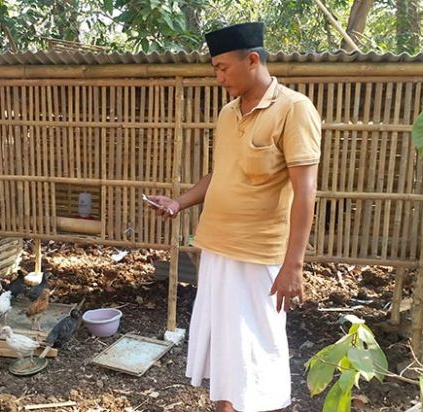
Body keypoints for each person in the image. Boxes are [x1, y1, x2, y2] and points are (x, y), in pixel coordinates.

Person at [148, 22, 321, 412]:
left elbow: (305, 191)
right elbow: (220, 173)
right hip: (217, 246)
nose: (218, 76)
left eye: (223, 67)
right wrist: (179, 203)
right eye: (215, 68)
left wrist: (294, 264)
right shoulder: (228, 114)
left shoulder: (294, 109)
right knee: (226, 349)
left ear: (253, 60)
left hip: (260, 253)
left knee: (261, 352)